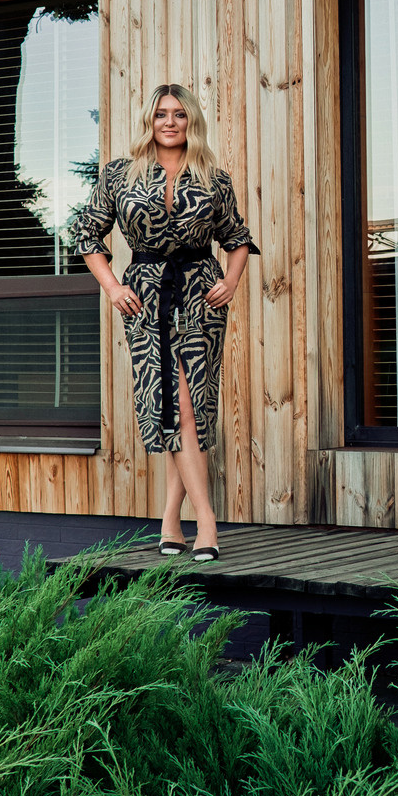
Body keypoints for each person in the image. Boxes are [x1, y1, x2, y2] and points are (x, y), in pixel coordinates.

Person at [71, 84, 256, 560]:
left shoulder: (214, 177)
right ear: (148, 122)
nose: (169, 122)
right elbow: (87, 235)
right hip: (146, 298)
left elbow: (236, 239)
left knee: (189, 406)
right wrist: (113, 287)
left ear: (191, 120)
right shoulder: (118, 174)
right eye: (160, 115)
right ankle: (191, 522)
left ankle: (186, 523)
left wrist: (231, 282)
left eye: (178, 114)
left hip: (201, 295)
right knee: (173, 405)